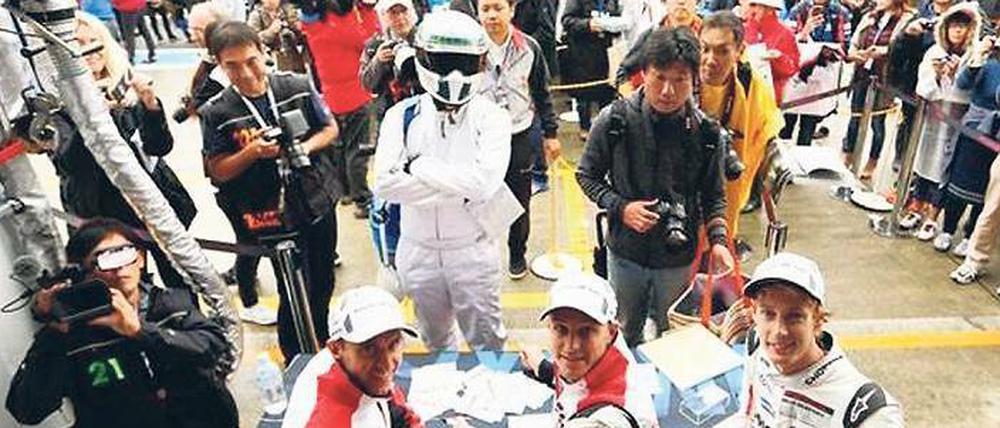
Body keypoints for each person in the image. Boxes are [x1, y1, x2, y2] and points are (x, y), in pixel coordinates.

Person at [576, 27, 734, 347]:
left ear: (694, 81)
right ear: (644, 72)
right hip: (624, 254)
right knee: (620, 333)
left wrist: (718, 241)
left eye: (679, 80)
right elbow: (586, 175)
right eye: (659, 77)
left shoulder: (706, 134)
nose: (667, 90)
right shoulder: (615, 121)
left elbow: (714, 194)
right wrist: (621, 207)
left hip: (678, 259)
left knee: (674, 337)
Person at [5, 218, 239, 428]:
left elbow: (215, 349)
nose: (119, 268)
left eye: (125, 254)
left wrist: (141, 331)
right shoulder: (74, 336)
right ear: (83, 274)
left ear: (141, 259)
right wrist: (53, 337)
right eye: (104, 259)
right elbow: (27, 409)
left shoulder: (169, 305)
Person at [198, 21, 340, 362]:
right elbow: (215, 170)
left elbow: (330, 127)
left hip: (317, 198)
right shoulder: (217, 111)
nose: (245, 72)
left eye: (251, 60)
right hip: (267, 212)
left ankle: (321, 341)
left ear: (264, 52)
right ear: (218, 64)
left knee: (322, 279)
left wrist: (303, 148)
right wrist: (251, 153)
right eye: (231, 65)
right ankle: (296, 358)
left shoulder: (296, 85)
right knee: (293, 289)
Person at [24, 13, 196, 291]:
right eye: (79, 43)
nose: (90, 50)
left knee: (180, 279)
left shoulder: (125, 88)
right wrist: (92, 116)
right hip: (100, 212)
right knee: (121, 287)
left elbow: (159, 147)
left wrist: (151, 105)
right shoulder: (56, 105)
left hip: (151, 204)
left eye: (95, 41)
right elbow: (68, 163)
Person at [372, 10, 512, 351]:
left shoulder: (492, 117)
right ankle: (445, 395)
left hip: (472, 250)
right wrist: (456, 188)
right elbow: (385, 184)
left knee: (488, 340)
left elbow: (483, 184)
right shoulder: (400, 116)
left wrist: (418, 167)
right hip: (416, 250)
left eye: (464, 63)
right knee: (434, 339)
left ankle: (492, 395)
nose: (453, 74)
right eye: (444, 61)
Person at [728, 252, 905, 427]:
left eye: (795, 316)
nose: (779, 331)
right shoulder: (756, 344)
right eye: (768, 314)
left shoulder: (868, 412)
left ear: (818, 320)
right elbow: (747, 413)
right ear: (754, 315)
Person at [478, 0, 561, 279]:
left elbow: (542, 93)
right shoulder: (470, 50)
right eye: (485, 9)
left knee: (519, 200)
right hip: (480, 140)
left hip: (520, 136)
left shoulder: (529, 48)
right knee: (477, 199)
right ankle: (481, 255)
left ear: (511, 10)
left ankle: (517, 252)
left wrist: (550, 133)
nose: (491, 15)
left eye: (497, 8)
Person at [520, 274, 659, 428]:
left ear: (611, 332)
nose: (571, 346)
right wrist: (543, 368)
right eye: (560, 329)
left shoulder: (608, 420)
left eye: (585, 331)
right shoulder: (602, 355)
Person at [281, 286, 423, 428]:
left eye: (394, 343)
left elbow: (395, 406)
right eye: (369, 349)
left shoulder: (346, 365)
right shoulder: (329, 420)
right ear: (336, 348)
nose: (386, 364)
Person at [699, 11, 783, 245]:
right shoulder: (681, 78)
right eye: (704, 48)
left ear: (740, 51)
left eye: (722, 51)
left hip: (726, 196)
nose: (710, 59)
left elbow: (769, 130)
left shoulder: (750, 84)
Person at [299, 0, 380, 219]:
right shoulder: (346, 23)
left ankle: (344, 192)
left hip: (330, 97)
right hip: (356, 94)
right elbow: (369, 41)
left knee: (339, 148)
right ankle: (362, 199)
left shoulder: (314, 27)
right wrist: (368, 9)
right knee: (357, 151)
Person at [906, 3, 978, 241]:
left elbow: (971, 91)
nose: (958, 31)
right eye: (954, 25)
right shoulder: (933, 52)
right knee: (923, 163)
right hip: (932, 118)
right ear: (945, 27)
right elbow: (923, 88)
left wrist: (959, 74)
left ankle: (932, 217)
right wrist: (937, 75)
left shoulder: (974, 56)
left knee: (945, 169)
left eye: (964, 26)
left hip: (957, 120)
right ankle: (916, 206)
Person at [932, 33, 1000, 255]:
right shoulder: (988, 61)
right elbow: (963, 84)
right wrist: (978, 56)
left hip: (997, 138)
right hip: (975, 127)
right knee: (959, 183)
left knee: (986, 189)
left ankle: (970, 234)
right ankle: (948, 230)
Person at [841, 0, 914, 180]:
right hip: (862, 74)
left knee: (877, 122)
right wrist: (855, 54)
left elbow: (902, 48)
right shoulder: (870, 15)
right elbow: (856, 40)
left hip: (885, 77)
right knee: (855, 117)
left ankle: (873, 161)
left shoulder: (907, 20)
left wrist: (882, 51)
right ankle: (848, 154)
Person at [887, 0, 959, 173]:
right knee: (908, 130)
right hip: (914, 88)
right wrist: (908, 35)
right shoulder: (919, 14)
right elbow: (896, 55)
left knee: (936, 143)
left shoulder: (965, 15)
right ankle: (903, 174)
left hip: (948, 94)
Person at [781, 0, 851, 147]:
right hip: (797, 75)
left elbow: (845, 46)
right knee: (786, 124)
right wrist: (805, 31)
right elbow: (786, 41)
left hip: (822, 77)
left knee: (808, 127)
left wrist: (830, 52)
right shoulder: (798, 10)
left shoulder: (840, 12)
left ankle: (802, 162)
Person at [563, 0, 628, 141]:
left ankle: (605, 126)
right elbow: (567, 21)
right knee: (584, 96)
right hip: (582, 55)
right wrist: (587, 25)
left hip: (606, 54)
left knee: (607, 93)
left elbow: (620, 18)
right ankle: (585, 128)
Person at [359, 0, 422, 133]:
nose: (400, 18)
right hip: (390, 115)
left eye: (403, 11)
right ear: (384, 16)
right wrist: (378, 61)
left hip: (423, 110)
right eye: (393, 13)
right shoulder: (375, 46)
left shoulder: (425, 39)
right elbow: (366, 84)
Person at [743, 0, 800, 104]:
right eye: (752, 5)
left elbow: (792, 68)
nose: (752, 9)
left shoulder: (785, 33)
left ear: (769, 9)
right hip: (743, 93)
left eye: (756, 5)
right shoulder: (742, 29)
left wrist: (779, 57)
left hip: (770, 96)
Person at [248, 0, 308, 73]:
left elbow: (302, 35)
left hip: (294, 59)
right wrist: (271, 31)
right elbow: (252, 40)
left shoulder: (287, 11)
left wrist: (296, 27)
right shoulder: (256, 15)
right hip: (273, 62)